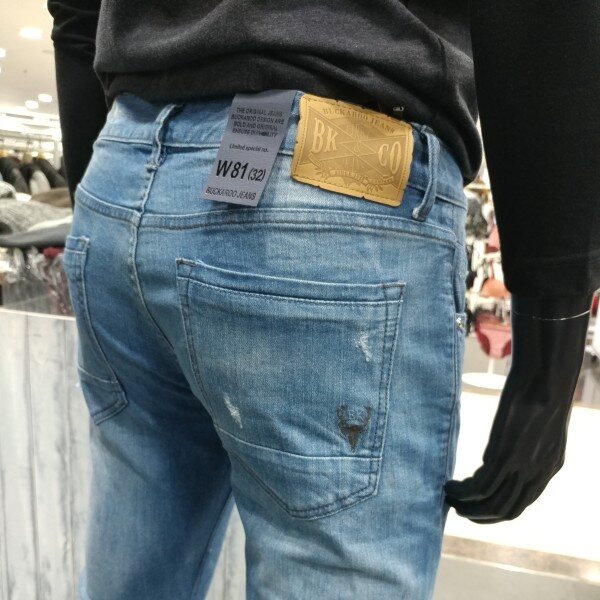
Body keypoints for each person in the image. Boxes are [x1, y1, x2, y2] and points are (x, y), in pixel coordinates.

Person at [48, 1, 599, 598]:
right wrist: (554, 326)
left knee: (132, 571)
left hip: (122, 163)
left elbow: (75, 10)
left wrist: (106, 204)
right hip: (339, 165)